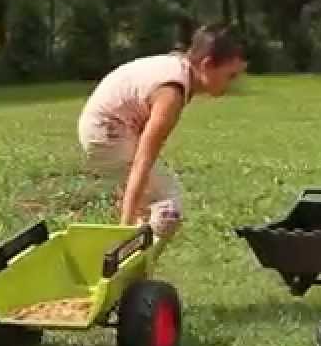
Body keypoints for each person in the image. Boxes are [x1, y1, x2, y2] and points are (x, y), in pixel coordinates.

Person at [77, 23, 246, 242]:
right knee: (168, 205)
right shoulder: (171, 92)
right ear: (206, 65)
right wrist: (124, 223)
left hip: (100, 129)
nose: (232, 84)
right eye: (230, 76)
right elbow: (144, 160)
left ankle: (132, 250)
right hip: (106, 132)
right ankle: (125, 253)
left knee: (154, 202)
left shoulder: (179, 69)